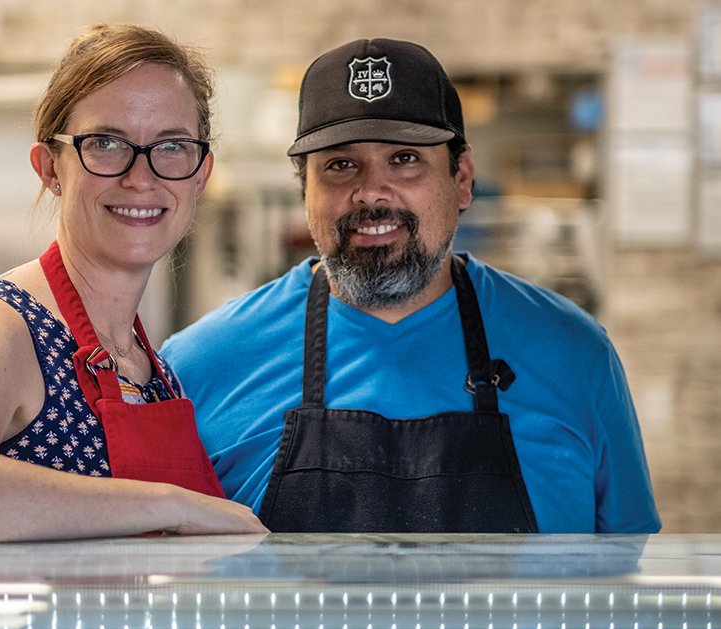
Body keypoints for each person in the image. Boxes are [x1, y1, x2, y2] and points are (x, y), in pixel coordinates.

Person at [160, 38, 661, 534]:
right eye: (339, 164)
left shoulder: (574, 354)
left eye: (404, 159)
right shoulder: (199, 367)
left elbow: (626, 582)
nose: (371, 191)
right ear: (304, 189)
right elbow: (156, 583)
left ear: (461, 178)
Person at [0, 24, 267, 543]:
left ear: (200, 176)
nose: (141, 177)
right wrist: (170, 504)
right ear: (49, 167)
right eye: (105, 143)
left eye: (171, 146)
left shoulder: (150, 371)